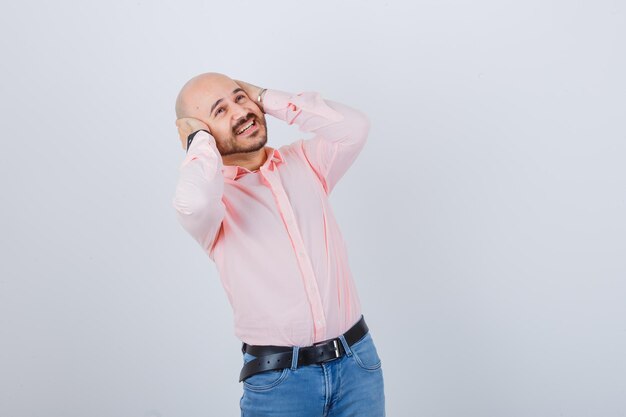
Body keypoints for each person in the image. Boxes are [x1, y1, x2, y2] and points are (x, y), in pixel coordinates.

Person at [172, 72, 385, 416]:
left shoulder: (305, 162)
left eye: (240, 98)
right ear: (202, 133)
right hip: (281, 383)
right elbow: (192, 202)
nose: (240, 112)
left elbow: (354, 127)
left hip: (357, 364)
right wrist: (197, 139)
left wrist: (264, 96)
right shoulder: (214, 206)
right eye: (219, 111)